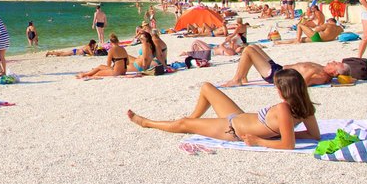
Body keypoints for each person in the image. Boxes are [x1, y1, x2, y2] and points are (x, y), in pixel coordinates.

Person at [128, 69, 319, 150]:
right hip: (239, 116)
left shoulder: (285, 109)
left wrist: (260, 140)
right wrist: (282, 134)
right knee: (207, 87)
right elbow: (314, 135)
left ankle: (146, 123)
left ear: (284, 90)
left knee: (183, 124)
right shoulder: (305, 107)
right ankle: (194, 119)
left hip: (231, 129)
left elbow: (288, 145)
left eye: (277, 86)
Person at [219, 44, 347, 87]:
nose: (334, 61)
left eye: (336, 64)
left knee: (248, 51)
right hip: (278, 68)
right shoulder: (322, 68)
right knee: (253, 47)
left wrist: (310, 72)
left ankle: (237, 79)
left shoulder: (322, 75)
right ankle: (243, 76)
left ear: (335, 73)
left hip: (276, 75)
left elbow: (302, 84)